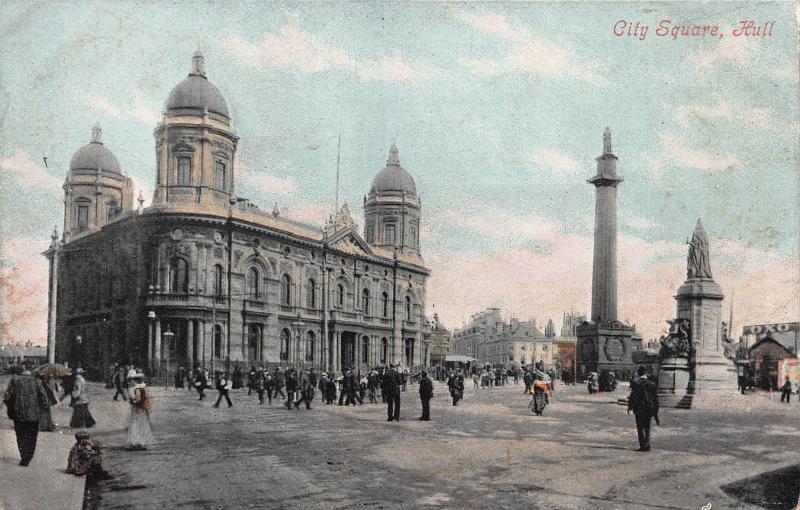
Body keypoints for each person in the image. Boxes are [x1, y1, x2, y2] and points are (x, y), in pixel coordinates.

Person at [3, 366, 51, 466]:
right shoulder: (37, 382)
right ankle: (29, 456)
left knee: (20, 436)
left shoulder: (14, 381)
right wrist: (44, 408)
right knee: (32, 436)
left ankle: (23, 456)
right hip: (34, 414)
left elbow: (7, 396)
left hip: (19, 414)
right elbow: (44, 397)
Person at [628, 366, 659, 452]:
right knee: (647, 427)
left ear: (638, 373)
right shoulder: (652, 384)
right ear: (645, 373)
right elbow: (655, 399)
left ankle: (642, 445)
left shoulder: (636, 383)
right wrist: (656, 411)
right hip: (649, 408)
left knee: (640, 427)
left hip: (639, 408)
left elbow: (633, 397)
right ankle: (648, 444)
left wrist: (629, 407)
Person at [126, 372, 154, 450]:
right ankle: (141, 442)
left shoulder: (135, 389)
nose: (131, 382)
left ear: (135, 381)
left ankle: (136, 442)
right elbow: (147, 398)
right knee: (142, 425)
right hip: (141, 409)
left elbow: (136, 399)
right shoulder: (143, 388)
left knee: (135, 424)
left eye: (133, 380)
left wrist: (133, 401)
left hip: (137, 409)